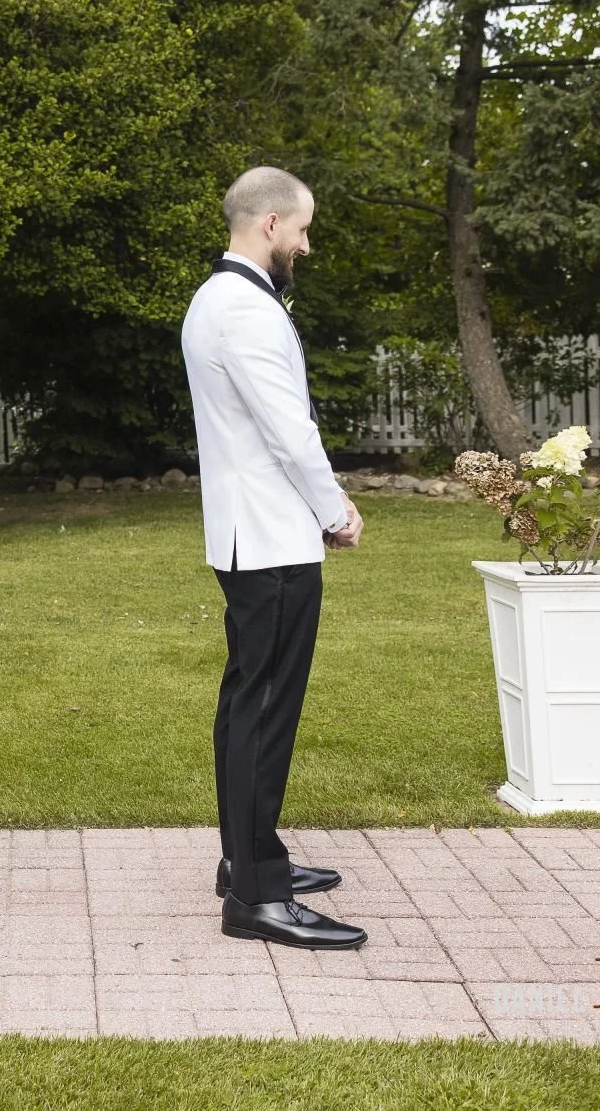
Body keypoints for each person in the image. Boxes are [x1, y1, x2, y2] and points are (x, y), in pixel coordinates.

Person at [181, 166, 368, 951]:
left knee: (248, 704)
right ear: (267, 225)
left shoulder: (221, 299)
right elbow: (288, 429)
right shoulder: (241, 309)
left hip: (253, 533)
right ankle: (256, 894)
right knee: (262, 711)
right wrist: (336, 509)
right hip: (268, 538)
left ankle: (249, 859)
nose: (306, 243)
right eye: (301, 229)